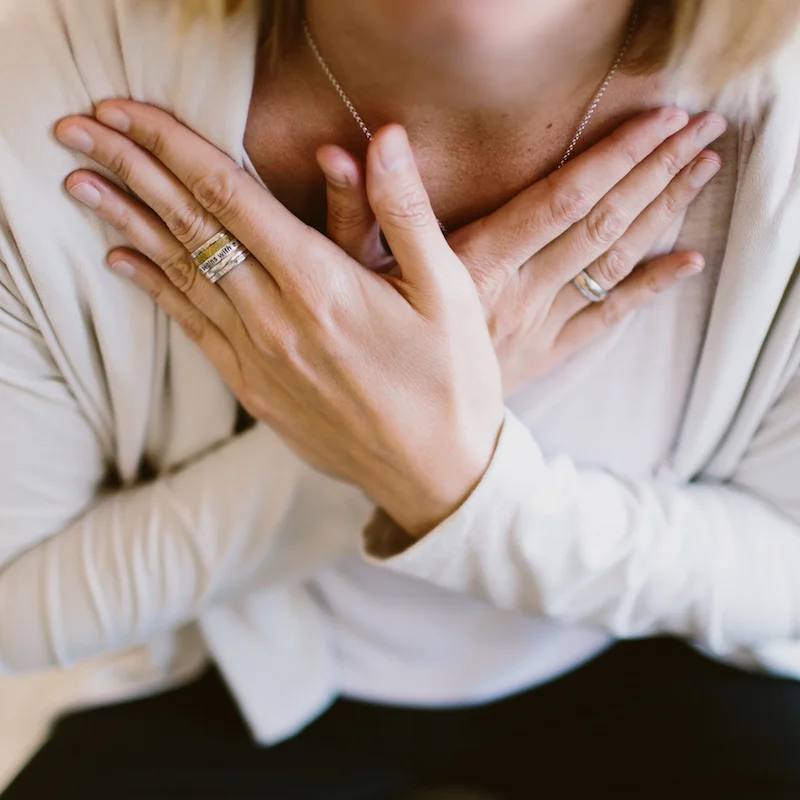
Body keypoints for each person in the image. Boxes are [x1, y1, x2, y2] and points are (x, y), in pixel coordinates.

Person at [1, 0, 800, 796]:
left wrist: (451, 476)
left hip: (665, 652)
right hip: (229, 675)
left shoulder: (780, 107)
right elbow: (16, 608)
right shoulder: (50, 89)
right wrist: (373, 424)